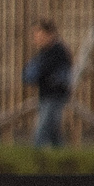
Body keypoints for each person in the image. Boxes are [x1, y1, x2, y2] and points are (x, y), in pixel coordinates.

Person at [24, 19, 73, 148]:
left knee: (41, 133)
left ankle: (35, 161)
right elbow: (29, 74)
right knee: (54, 134)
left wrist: (37, 73)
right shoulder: (45, 53)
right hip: (46, 96)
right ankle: (64, 161)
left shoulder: (57, 52)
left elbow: (42, 72)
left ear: (50, 34)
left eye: (38, 34)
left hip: (54, 97)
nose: (36, 38)